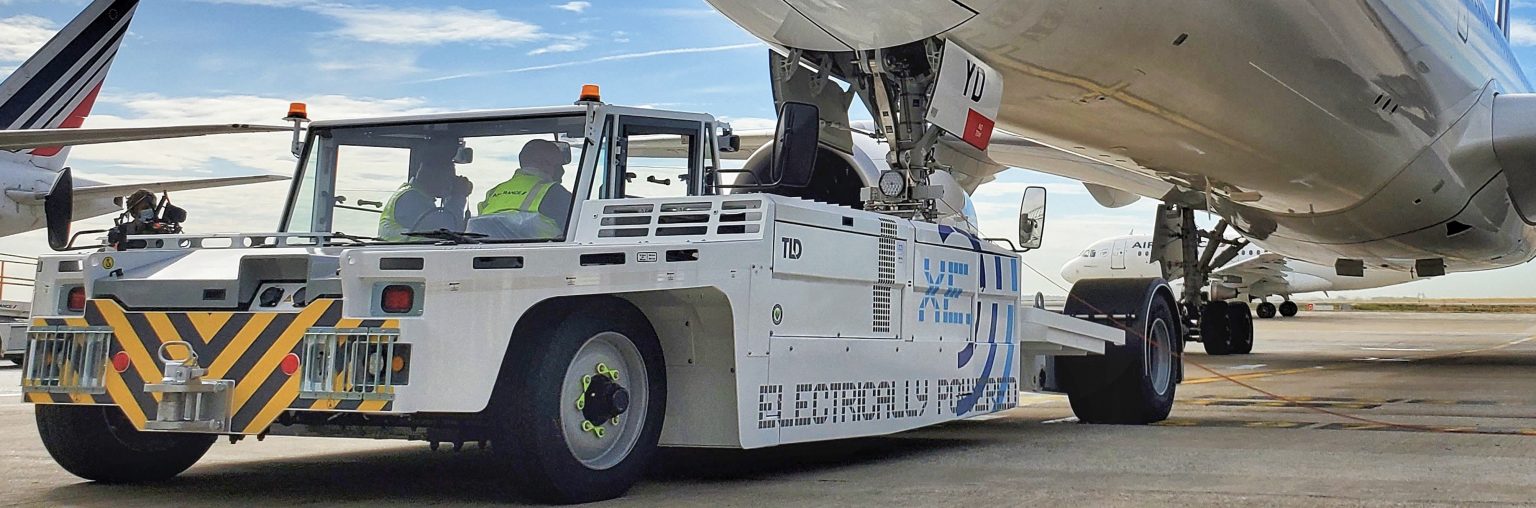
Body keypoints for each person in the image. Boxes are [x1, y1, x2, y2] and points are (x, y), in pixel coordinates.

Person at [473, 139, 573, 239]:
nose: (562, 171)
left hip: (487, 248)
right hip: (544, 249)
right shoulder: (555, 192)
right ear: (543, 163)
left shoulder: (493, 192)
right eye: (559, 165)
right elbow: (576, 228)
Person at [378, 143, 472, 241]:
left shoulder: (418, 197)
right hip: (405, 251)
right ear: (434, 176)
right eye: (449, 177)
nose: (451, 182)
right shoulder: (411, 199)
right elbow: (450, 231)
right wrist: (458, 195)